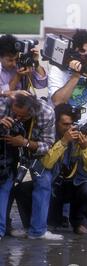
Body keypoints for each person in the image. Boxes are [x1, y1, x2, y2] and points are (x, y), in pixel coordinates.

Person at [41, 104, 87, 241]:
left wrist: (85, 147)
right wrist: (63, 142)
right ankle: (37, 226)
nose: (69, 128)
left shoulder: (84, 134)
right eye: (65, 124)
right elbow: (47, 163)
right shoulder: (50, 135)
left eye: (71, 124)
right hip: (57, 186)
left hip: (78, 185)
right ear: (56, 123)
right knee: (24, 190)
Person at [0, 92, 62, 240]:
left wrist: (24, 143)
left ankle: (38, 231)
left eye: (22, 116)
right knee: (5, 185)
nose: (17, 118)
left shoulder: (46, 112)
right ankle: (2, 229)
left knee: (43, 183)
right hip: (6, 149)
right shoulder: (5, 104)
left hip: (34, 151)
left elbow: (47, 145)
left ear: (31, 112)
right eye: (15, 114)